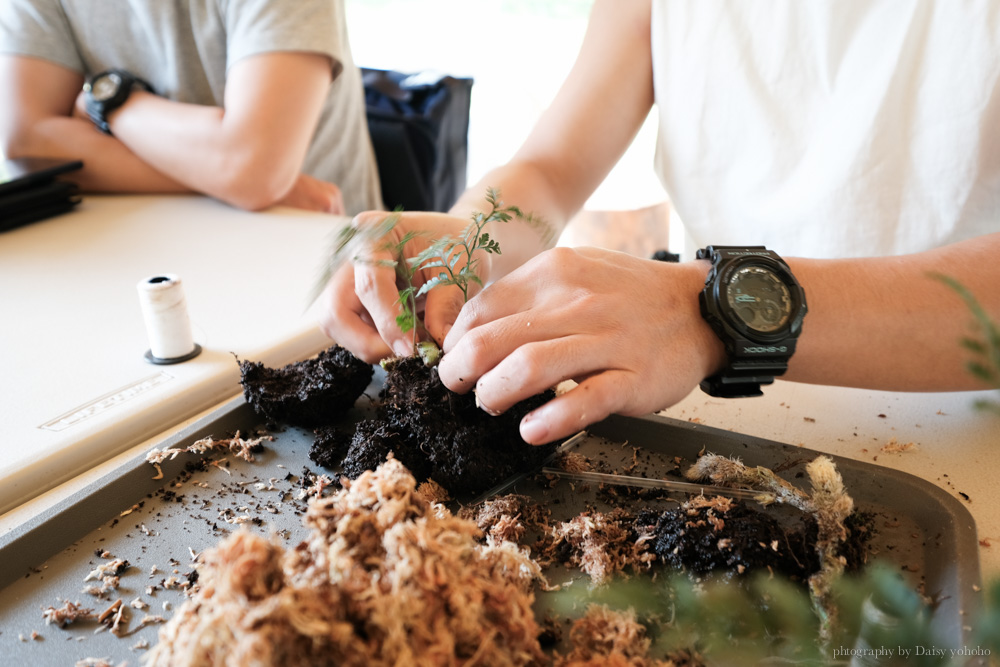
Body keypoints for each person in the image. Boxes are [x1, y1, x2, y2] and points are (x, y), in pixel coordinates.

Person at [318, 0, 1000, 446]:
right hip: (723, 411)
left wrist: (707, 309)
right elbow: (553, 166)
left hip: (959, 436)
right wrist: (467, 237)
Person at [0, 0, 381, 216]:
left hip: (325, 268)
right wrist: (228, 176)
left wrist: (112, 103)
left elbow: (251, 166)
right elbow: (26, 145)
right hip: (157, 245)